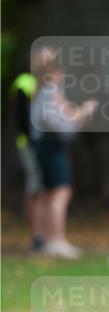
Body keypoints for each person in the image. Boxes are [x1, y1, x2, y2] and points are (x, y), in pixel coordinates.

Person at [29, 48, 98, 259]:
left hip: (45, 146)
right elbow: (64, 123)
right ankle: (57, 240)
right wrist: (84, 112)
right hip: (51, 146)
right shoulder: (51, 91)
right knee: (61, 191)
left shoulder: (42, 90)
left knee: (52, 193)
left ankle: (52, 240)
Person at [10, 66, 46, 254]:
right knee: (35, 189)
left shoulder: (48, 82)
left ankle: (44, 234)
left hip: (44, 145)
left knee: (44, 189)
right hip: (29, 144)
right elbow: (21, 115)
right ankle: (37, 236)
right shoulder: (25, 82)